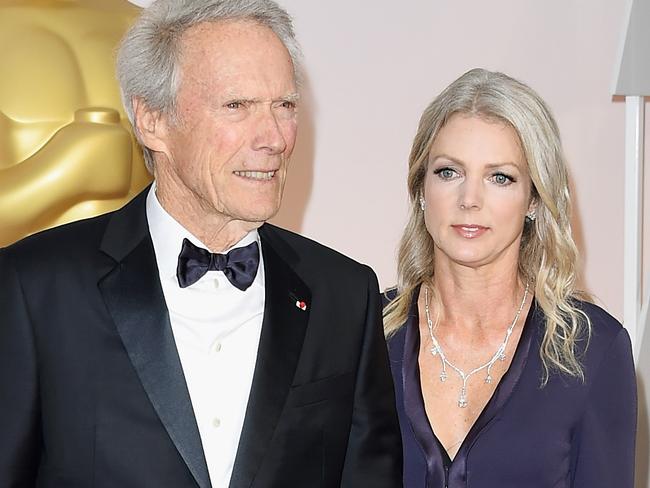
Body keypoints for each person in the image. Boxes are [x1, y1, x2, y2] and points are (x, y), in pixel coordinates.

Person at [0, 1, 402, 487]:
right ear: (152, 120)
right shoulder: (35, 287)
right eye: (237, 106)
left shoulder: (343, 294)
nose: (274, 137)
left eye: (285, 105)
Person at [383, 68, 636, 488]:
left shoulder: (594, 352)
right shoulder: (365, 333)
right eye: (449, 172)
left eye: (500, 177)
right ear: (421, 189)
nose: (470, 200)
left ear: (534, 199)